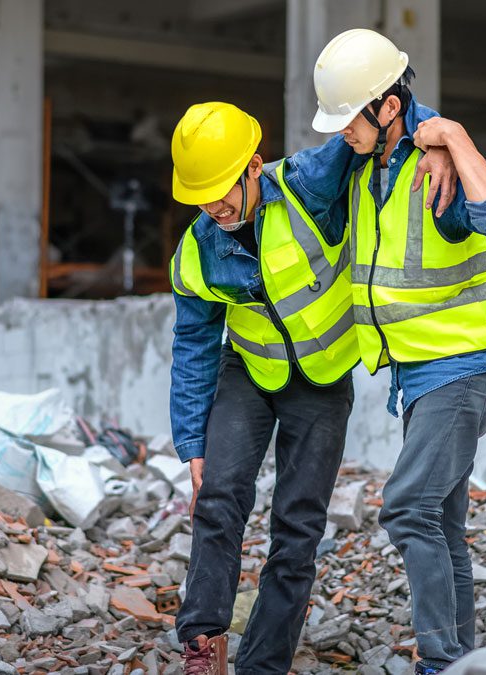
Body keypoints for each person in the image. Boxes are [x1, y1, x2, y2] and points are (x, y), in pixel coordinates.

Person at [311, 29, 486, 673]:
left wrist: (451, 139)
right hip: (421, 376)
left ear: (388, 108)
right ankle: (463, 660)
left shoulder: (438, 168)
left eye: (350, 119)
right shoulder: (365, 161)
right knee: (442, 522)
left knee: (406, 507)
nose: (341, 132)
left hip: (468, 369)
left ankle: (439, 660)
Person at [166, 101, 361, 675]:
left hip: (323, 380)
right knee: (219, 496)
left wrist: (441, 137)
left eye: (223, 189)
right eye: (200, 196)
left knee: (298, 528)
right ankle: (203, 644)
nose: (214, 207)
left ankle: (263, 666)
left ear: (254, 167)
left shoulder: (307, 185)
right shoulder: (199, 251)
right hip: (249, 370)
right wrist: (192, 445)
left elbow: (369, 119)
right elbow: (193, 347)